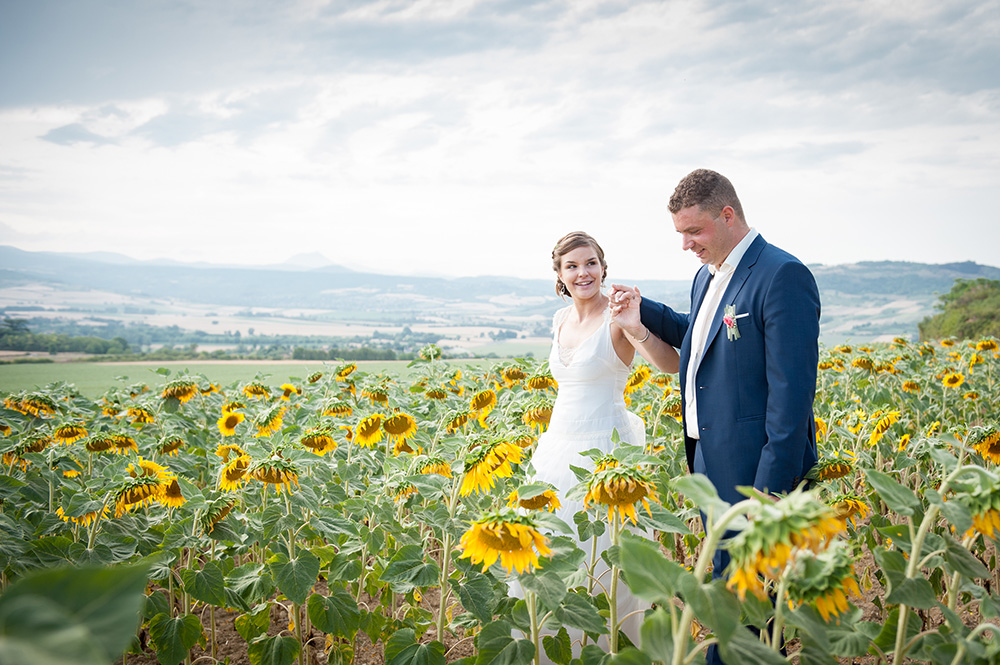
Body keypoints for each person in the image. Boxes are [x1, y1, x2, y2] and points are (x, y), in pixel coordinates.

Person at [609, 169, 820, 664]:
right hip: (709, 460)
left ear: (728, 215)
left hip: (755, 473)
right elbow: (697, 335)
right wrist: (643, 309)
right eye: (680, 233)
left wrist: (768, 490)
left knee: (748, 598)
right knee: (731, 591)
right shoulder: (708, 273)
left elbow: (791, 398)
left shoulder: (782, 275)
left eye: (694, 231)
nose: (686, 244)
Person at [524, 231, 678, 659]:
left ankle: (615, 650)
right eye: (571, 266)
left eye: (590, 263)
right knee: (553, 555)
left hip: (605, 451)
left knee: (609, 559)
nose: (582, 272)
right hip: (557, 448)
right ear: (559, 275)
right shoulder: (558, 320)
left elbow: (670, 364)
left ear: (603, 267)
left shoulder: (618, 316)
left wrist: (635, 327)